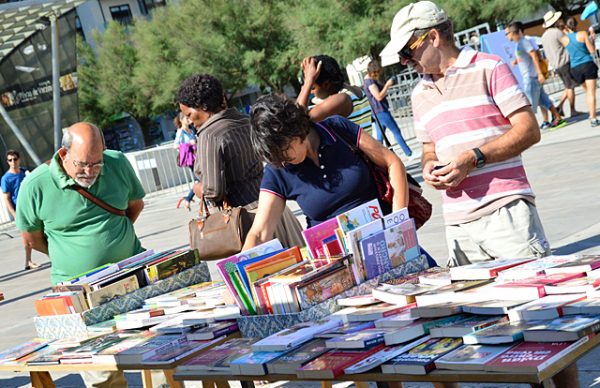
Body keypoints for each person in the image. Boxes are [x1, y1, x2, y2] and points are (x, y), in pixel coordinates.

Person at [381, 3, 575, 387]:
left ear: (432, 37)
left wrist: (474, 158)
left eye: (408, 52)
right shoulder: (420, 94)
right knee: (489, 324)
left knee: (540, 316)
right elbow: (429, 147)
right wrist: (434, 167)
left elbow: (528, 130)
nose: (406, 63)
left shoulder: (489, 67)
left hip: (506, 211)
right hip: (459, 225)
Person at [16, 122, 145, 387]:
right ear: (63, 155)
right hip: (77, 290)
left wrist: (112, 240)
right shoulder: (35, 184)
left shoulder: (117, 163)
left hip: (131, 274)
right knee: (101, 369)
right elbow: (32, 238)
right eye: (83, 164)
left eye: (97, 164)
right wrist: (71, 253)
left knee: (155, 352)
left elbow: (135, 205)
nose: (90, 172)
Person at [242, 94, 409, 249]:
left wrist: (397, 224)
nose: (281, 161)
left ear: (295, 132)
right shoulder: (278, 169)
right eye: (274, 157)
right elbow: (259, 232)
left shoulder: (337, 128)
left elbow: (392, 162)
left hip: (387, 238)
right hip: (336, 260)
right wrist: (239, 269)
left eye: (283, 151)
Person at [176, 74, 304, 248]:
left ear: (203, 106)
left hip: (248, 223)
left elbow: (214, 190)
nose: (189, 120)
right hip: (277, 211)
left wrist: (197, 188)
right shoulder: (245, 121)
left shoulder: (209, 135)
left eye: (189, 114)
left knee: (262, 272)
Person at [506, 21, 567, 130]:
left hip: (531, 78)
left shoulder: (523, 42)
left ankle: (528, 128)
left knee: (528, 104)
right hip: (531, 77)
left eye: (509, 33)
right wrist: (516, 61)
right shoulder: (519, 44)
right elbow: (527, 57)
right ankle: (558, 118)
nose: (508, 35)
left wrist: (539, 74)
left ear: (517, 32)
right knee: (544, 101)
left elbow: (534, 55)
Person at [297, 55, 374, 133]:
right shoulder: (357, 91)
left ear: (326, 84)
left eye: (312, 88)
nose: (311, 92)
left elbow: (296, 121)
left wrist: (308, 80)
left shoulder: (340, 100)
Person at [363, 60, 413, 157]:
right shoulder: (370, 83)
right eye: (376, 73)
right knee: (396, 131)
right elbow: (378, 96)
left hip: (376, 112)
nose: (377, 75)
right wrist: (387, 85)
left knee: (380, 138)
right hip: (381, 111)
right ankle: (409, 153)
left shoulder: (368, 81)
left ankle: (377, 158)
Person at [541, 11, 582, 118]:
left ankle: (560, 106)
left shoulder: (544, 36)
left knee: (567, 86)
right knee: (570, 87)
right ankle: (571, 110)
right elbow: (568, 43)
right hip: (564, 62)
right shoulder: (556, 32)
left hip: (555, 64)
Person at [1, 150, 38, 270]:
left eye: (15, 159)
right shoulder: (6, 178)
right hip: (20, 210)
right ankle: (28, 261)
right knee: (26, 236)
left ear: (19, 159)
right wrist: (14, 214)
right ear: (7, 162)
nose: (13, 162)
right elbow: (6, 198)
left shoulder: (24, 172)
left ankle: (31, 261)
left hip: (32, 207)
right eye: (10, 160)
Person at [562, 17, 599, 127]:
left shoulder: (564, 39)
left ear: (567, 26)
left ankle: (591, 113)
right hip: (587, 64)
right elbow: (592, 50)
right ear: (576, 25)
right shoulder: (583, 34)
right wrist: (592, 38)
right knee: (591, 92)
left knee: (587, 91)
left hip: (575, 68)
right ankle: (593, 118)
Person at [173, 112, 197, 210]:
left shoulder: (191, 130)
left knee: (202, 180)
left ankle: (189, 198)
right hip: (191, 159)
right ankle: (188, 198)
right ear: (181, 120)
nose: (188, 120)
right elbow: (175, 145)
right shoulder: (181, 132)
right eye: (186, 118)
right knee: (201, 180)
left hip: (197, 156)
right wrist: (189, 144)